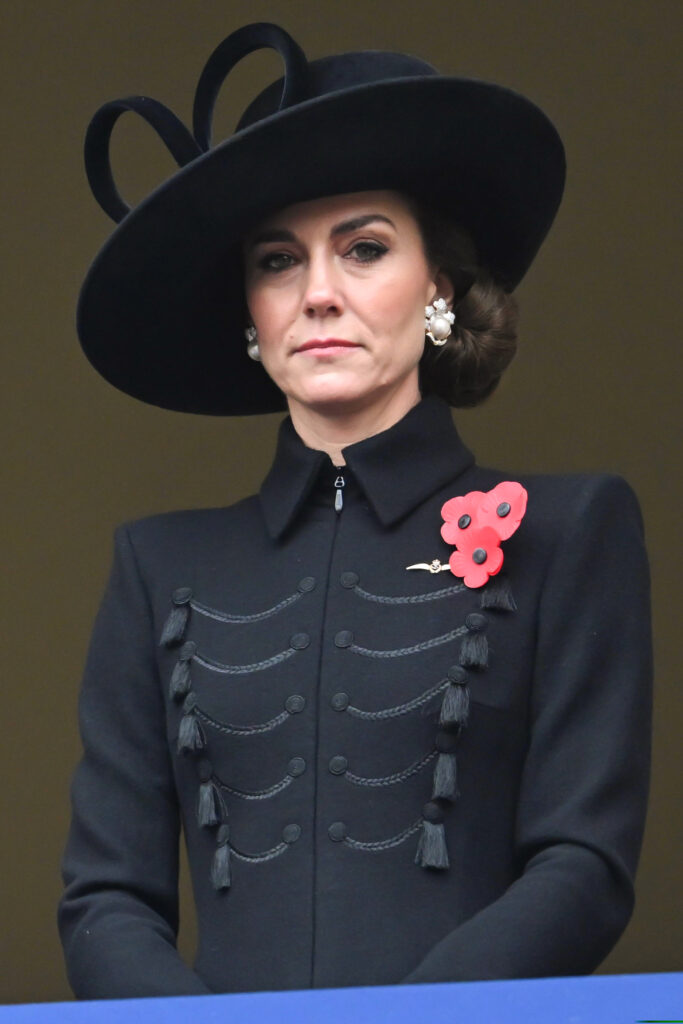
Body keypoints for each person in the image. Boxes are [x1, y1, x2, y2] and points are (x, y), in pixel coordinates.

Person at [58, 22, 652, 999]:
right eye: (278, 260)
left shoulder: (570, 530)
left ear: (439, 290)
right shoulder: (155, 564)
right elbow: (103, 900)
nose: (318, 294)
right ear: (251, 313)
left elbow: (582, 865)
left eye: (364, 248)